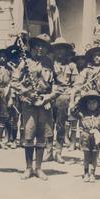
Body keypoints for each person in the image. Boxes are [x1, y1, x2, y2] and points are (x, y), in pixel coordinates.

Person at [12, 34, 58, 181]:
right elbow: (14, 81)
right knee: (29, 135)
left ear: (46, 49)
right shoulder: (25, 62)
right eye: (37, 45)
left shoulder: (50, 64)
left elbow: (59, 85)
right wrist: (27, 93)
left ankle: (38, 168)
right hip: (29, 104)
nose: (39, 49)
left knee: (42, 136)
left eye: (43, 46)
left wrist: (49, 97)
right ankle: (28, 168)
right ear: (32, 47)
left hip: (44, 103)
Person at [70, 46, 100, 151]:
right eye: (94, 56)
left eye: (99, 55)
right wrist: (74, 97)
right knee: (86, 123)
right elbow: (78, 84)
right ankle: (85, 146)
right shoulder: (86, 71)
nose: (97, 58)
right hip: (88, 100)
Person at [77, 94, 100, 183]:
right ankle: (86, 173)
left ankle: (93, 173)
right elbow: (73, 112)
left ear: (98, 104)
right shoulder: (82, 114)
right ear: (86, 104)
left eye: (94, 103)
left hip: (96, 137)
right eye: (89, 103)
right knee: (86, 156)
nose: (91, 105)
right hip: (86, 136)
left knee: (94, 156)